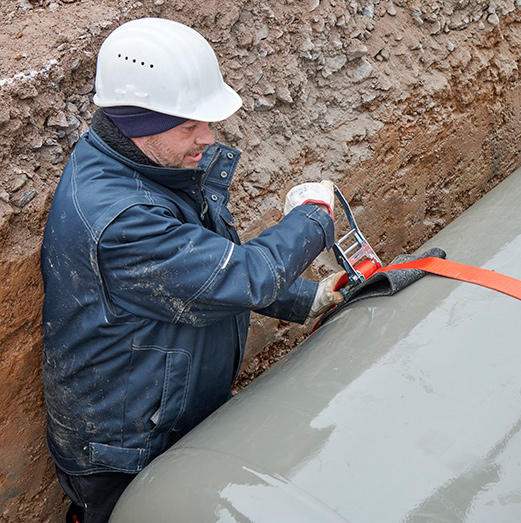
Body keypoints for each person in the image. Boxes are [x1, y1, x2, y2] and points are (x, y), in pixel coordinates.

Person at [40, 18, 343, 523]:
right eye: (189, 125)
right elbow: (242, 276)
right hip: (128, 453)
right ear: (139, 121)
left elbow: (202, 274)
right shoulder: (121, 220)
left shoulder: (149, 170)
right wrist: (315, 217)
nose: (207, 137)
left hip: (158, 417)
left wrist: (306, 300)